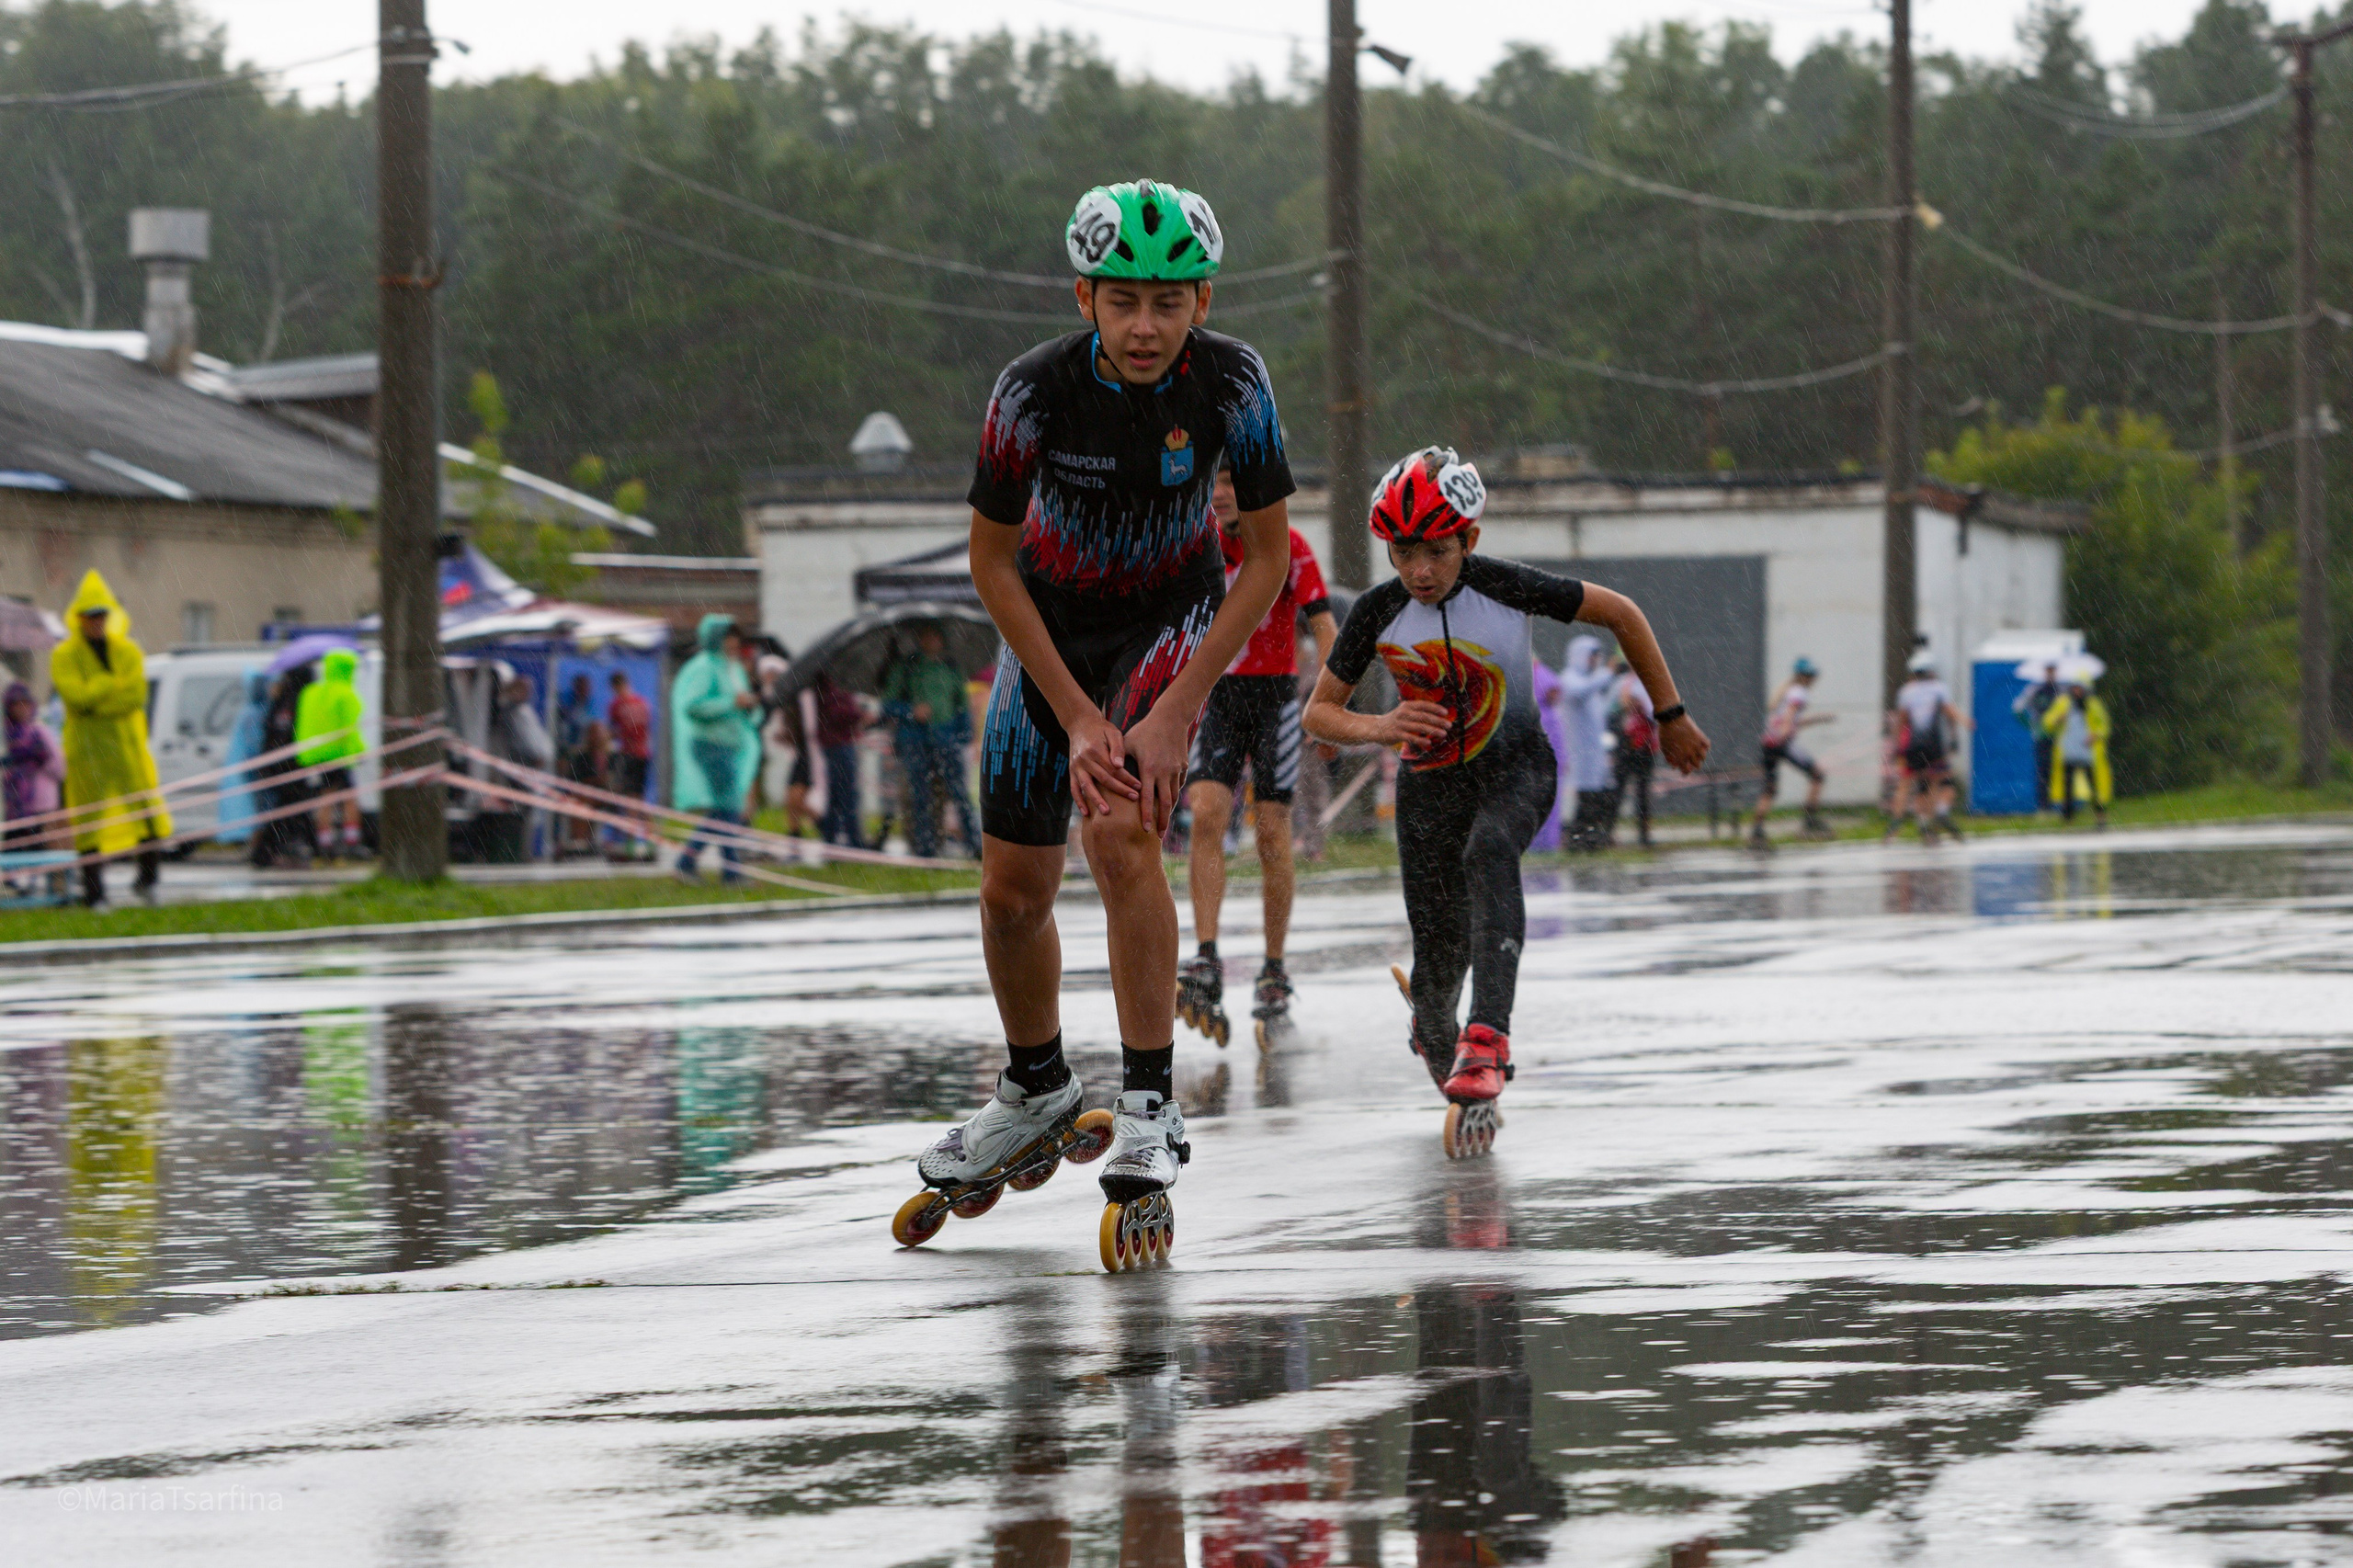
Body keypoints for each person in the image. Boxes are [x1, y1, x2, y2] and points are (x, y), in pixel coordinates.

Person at [907, 177, 1290, 1250]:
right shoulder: (1026, 393)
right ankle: (1034, 1085)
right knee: (1010, 889)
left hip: (1169, 623)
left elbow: (1262, 561)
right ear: (1084, 297)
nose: (1144, 325)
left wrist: (1175, 710)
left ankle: (1150, 1101)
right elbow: (990, 562)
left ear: (1202, 303)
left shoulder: (1234, 386)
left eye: (1169, 303)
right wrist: (1074, 712)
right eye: (1123, 300)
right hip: (1048, 634)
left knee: (1122, 834)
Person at [1304, 448, 1709, 1150]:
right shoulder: (1377, 610)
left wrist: (1670, 715)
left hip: (1516, 765)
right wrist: (1379, 726)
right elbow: (1319, 714)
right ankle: (1437, 1023)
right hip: (1430, 787)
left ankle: (1489, 1035)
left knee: (1491, 851)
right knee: (1437, 969)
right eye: (1403, 553)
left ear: (1469, 539)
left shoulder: (1507, 585)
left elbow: (1622, 613)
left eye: (1436, 549)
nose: (1420, 570)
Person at [1179, 456, 1337, 1040]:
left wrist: (1329, 703)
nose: (1219, 494)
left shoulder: (1290, 545)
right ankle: (1206, 954)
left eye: (1230, 483)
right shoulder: (1197, 546)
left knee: (1273, 831)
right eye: (1213, 483)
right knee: (1207, 815)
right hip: (1219, 697)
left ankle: (1273, 969)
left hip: (1275, 700)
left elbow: (1325, 629)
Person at [51, 571, 172, 905]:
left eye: (101, 615)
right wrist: (107, 685)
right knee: (89, 822)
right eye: (91, 616)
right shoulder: (64, 656)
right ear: (79, 618)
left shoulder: (129, 652)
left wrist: (97, 702)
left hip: (127, 748)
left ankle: (148, 877)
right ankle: (94, 892)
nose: (97, 622)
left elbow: (134, 697)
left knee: (145, 813)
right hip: (87, 753)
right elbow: (75, 698)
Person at [671, 613, 760, 881]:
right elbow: (693, 706)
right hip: (710, 745)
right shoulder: (704, 667)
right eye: (728, 636)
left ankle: (691, 862)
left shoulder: (730, 667)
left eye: (735, 636)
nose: (733, 642)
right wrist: (731, 703)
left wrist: (749, 707)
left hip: (729, 744)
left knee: (725, 807)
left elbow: (740, 705)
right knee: (729, 806)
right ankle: (728, 870)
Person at [881, 624, 981, 858]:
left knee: (959, 794)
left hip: (946, 740)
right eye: (927, 636)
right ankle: (925, 847)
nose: (932, 641)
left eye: (936, 636)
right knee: (920, 796)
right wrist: (910, 711)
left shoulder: (951, 669)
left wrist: (961, 735)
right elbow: (887, 705)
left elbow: (961, 706)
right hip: (915, 740)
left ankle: (975, 845)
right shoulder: (906, 668)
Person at [1749, 656, 1835, 846]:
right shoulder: (1799, 692)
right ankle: (1809, 821)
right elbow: (1789, 717)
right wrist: (1785, 733)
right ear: (1804, 677)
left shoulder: (1787, 690)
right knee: (1818, 776)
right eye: (1811, 676)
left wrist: (1819, 719)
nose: (1813, 680)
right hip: (1782, 743)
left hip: (1768, 742)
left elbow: (1792, 719)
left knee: (1770, 789)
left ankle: (1757, 831)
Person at [1886, 651, 1970, 843]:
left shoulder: (1906, 691)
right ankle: (1934, 817)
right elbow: (1949, 712)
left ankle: (1898, 820)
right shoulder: (1939, 688)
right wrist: (1962, 725)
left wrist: (1896, 746)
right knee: (1936, 782)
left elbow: (1902, 721)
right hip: (1933, 745)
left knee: (1907, 782)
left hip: (1913, 744)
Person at [296, 647, 367, 862]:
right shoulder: (346, 694)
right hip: (339, 755)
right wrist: (359, 752)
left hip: (315, 756)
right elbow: (350, 730)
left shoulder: (312, 692)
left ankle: (324, 842)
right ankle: (351, 842)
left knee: (325, 798)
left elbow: (303, 725)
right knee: (349, 799)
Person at [1558, 634, 1619, 851]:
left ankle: (1592, 840)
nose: (1595, 661)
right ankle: (1577, 841)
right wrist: (1608, 673)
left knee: (1596, 800)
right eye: (1591, 656)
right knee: (1582, 802)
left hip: (1594, 754)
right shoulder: (1569, 678)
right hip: (1577, 753)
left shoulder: (1593, 683)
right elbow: (1579, 691)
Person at [2041, 678, 2112, 826]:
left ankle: (2100, 815)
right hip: (2068, 750)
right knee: (2067, 785)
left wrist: (2096, 735)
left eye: (2079, 688)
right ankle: (2068, 817)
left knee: (2094, 785)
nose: (2077, 692)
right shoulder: (2063, 703)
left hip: (2088, 751)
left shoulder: (2092, 704)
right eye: (2074, 688)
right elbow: (2047, 722)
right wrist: (2057, 720)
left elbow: (2104, 725)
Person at [215, 668, 270, 847]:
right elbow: (254, 743)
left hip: (251, 767)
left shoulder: (250, 711)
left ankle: (258, 845)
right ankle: (258, 847)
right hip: (256, 767)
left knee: (258, 809)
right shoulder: (256, 713)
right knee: (261, 809)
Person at [1608, 655, 1659, 848]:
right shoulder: (1623, 683)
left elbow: (1656, 711)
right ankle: (1609, 831)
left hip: (1644, 743)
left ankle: (1644, 834)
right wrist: (1626, 705)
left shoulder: (1650, 682)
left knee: (1643, 790)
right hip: (1627, 740)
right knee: (1619, 787)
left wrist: (1639, 706)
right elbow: (1613, 707)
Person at [812, 670, 866, 847]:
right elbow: (839, 714)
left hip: (836, 744)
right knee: (846, 795)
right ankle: (853, 841)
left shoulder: (828, 689)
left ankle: (832, 839)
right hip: (839, 745)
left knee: (837, 796)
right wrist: (858, 714)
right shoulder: (830, 690)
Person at [606, 670, 654, 856]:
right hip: (644, 754)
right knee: (640, 800)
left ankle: (631, 843)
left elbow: (613, 731)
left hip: (629, 755)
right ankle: (651, 839)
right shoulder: (642, 702)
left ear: (615, 687)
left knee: (630, 800)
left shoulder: (617, 704)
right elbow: (645, 728)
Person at [555, 672, 603, 855]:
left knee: (589, 800)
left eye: (587, 688)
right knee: (575, 800)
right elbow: (564, 732)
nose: (586, 691)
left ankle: (585, 840)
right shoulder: (566, 704)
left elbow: (594, 728)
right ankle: (574, 840)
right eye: (582, 688)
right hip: (571, 758)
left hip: (585, 758)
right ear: (576, 688)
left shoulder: (589, 704)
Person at [2014, 661, 2063, 812]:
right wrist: (2031, 725)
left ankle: (2060, 803)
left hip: (2060, 736)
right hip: (2041, 735)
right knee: (2043, 770)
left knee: (2059, 769)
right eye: (2049, 671)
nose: (2051, 674)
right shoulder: (2035, 690)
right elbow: (2017, 708)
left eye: (2053, 671)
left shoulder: (2061, 690)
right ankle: (2043, 805)